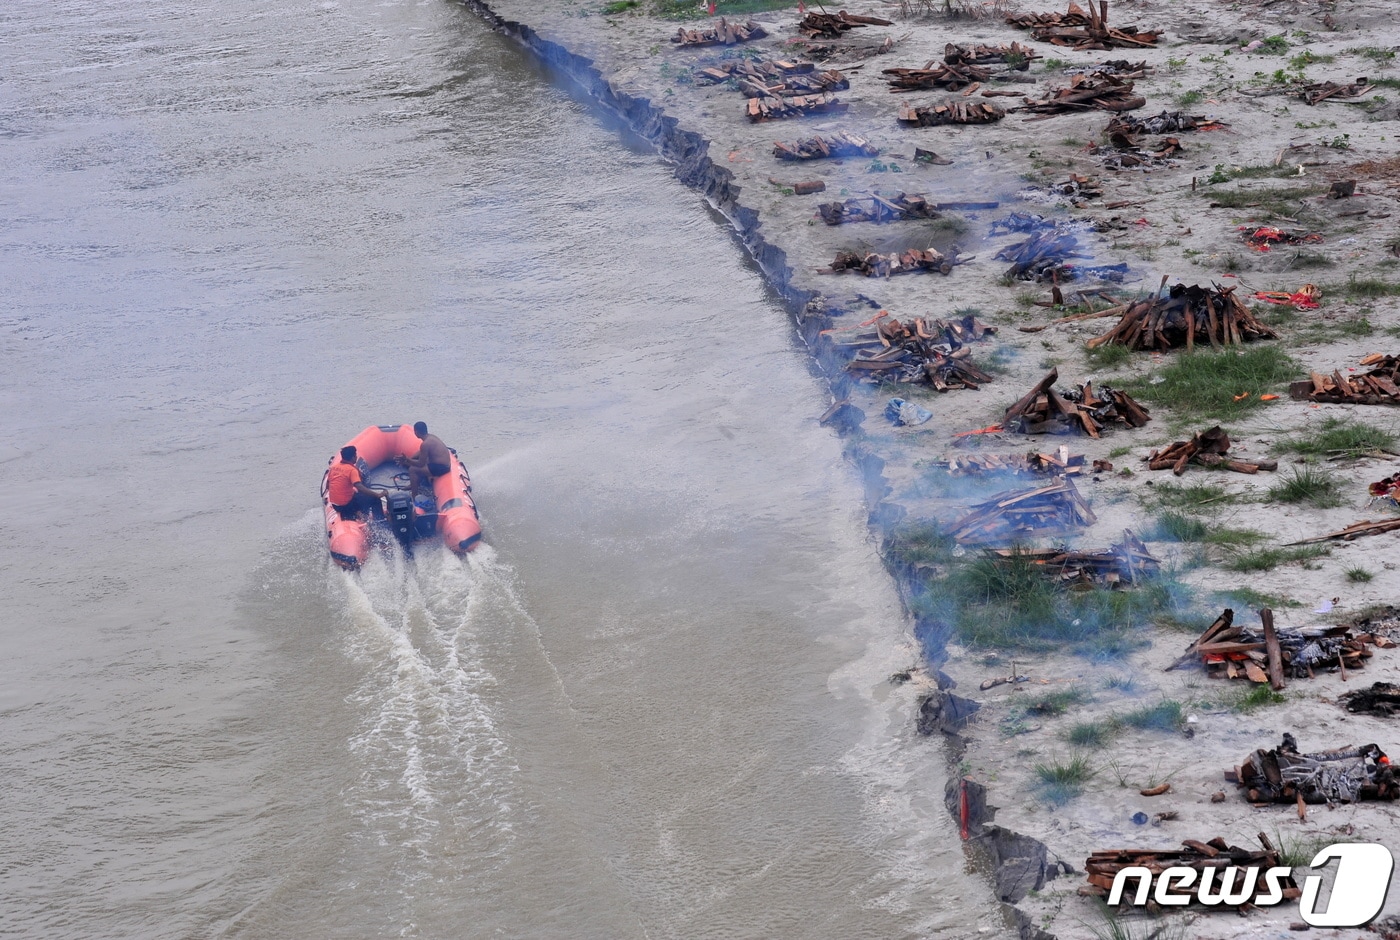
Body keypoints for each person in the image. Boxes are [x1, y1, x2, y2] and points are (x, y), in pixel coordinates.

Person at [327, 446, 388, 520]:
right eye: (355, 455)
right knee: (375, 499)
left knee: (357, 494)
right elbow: (359, 486)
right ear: (353, 457)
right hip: (346, 506)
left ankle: (363, 514)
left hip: (335, 506)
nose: (356, 457)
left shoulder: (333, 468)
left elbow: (328, 486)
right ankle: (379, 521)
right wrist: (378, 495)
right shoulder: (352, 470)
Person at [406, 421, 452, 499]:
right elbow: (421, 452)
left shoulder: (425, 444)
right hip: (445, 464)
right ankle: (416, 483)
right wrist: (411, 458)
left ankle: (414, 496)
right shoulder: (431, 437)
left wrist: (407, 460)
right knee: (419, 461)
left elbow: (420, 464)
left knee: (413, 469)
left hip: (442, 468)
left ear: (416, 432)